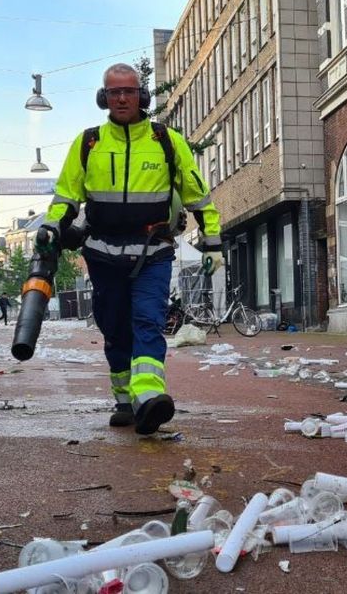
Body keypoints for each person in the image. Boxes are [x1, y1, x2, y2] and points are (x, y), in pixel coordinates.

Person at [38, 63, 224, 435]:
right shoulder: (88, 142)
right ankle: (124, 398)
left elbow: (196, 193)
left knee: (147, 322)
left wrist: (213, 239)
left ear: (141, 96)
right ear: (103, 98)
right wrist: (51, 225)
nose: (121, 98)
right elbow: (67, 195)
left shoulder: (167, 141)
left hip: (152, 251)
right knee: (114, 326)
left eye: (128, 91)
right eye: (113, 92)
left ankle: (149, 396)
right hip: (102, 253)